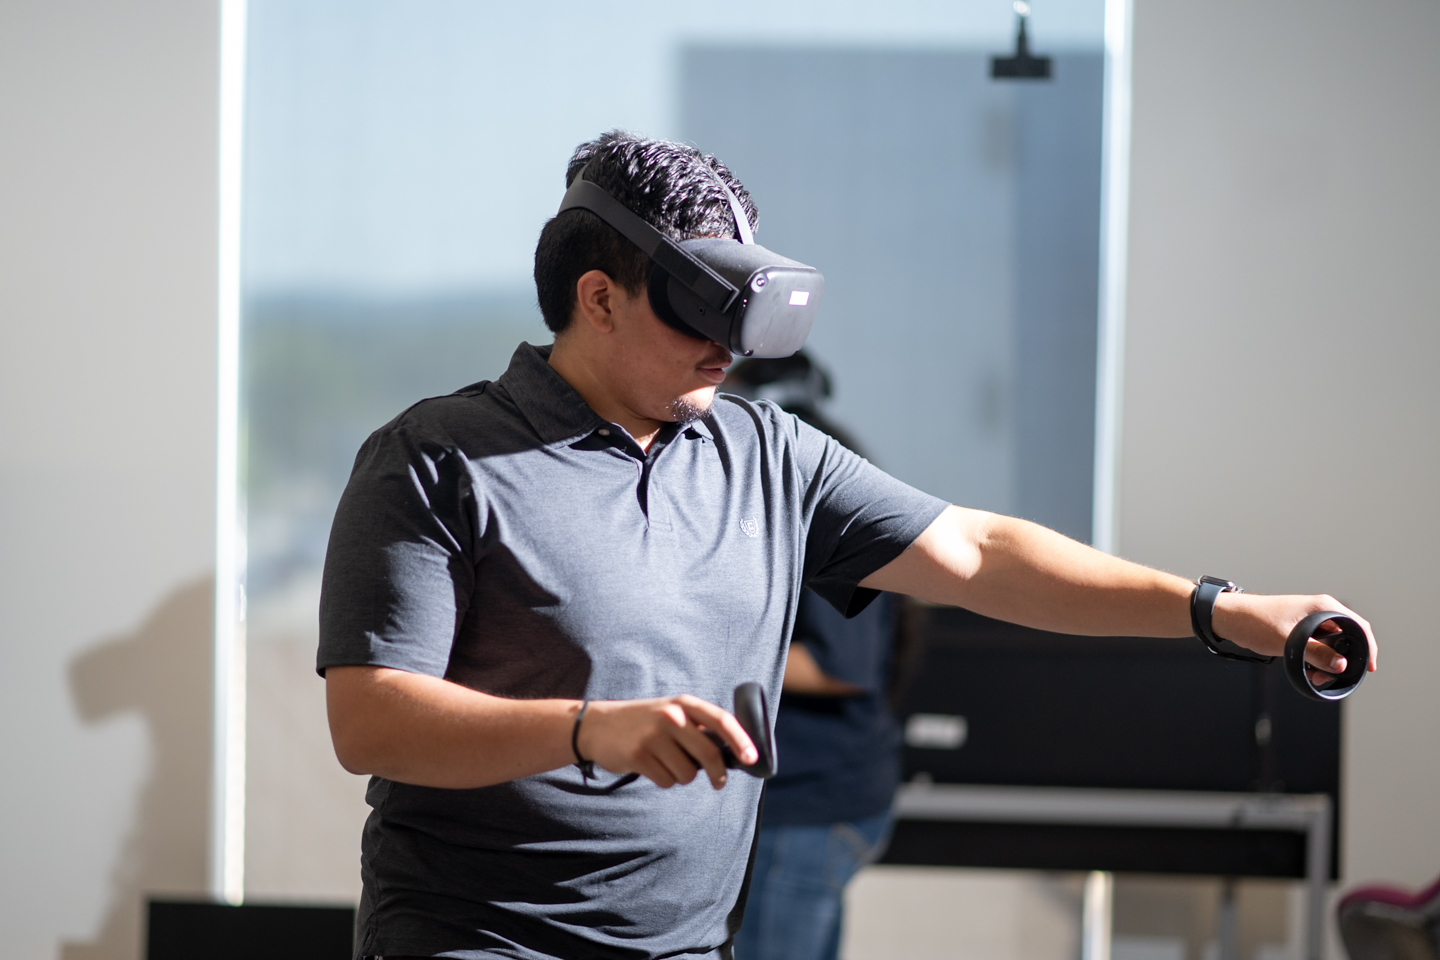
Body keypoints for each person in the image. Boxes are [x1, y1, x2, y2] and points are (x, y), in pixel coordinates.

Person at [317, 130, 1376, 960]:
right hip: (476, 943)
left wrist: (1220, 611)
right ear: (597, 298)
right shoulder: (435, 459)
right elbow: (372, 720)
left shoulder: (770, 455)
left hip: (686, 947)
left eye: (740, 316)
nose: (727, 348)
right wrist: (592, 731)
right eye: (696, 313)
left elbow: (981, 552)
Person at [726, 353, 909, 960]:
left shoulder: (806, 489)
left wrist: (705, 661)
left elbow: (841, 665)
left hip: (806, 806)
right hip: (809, 799)